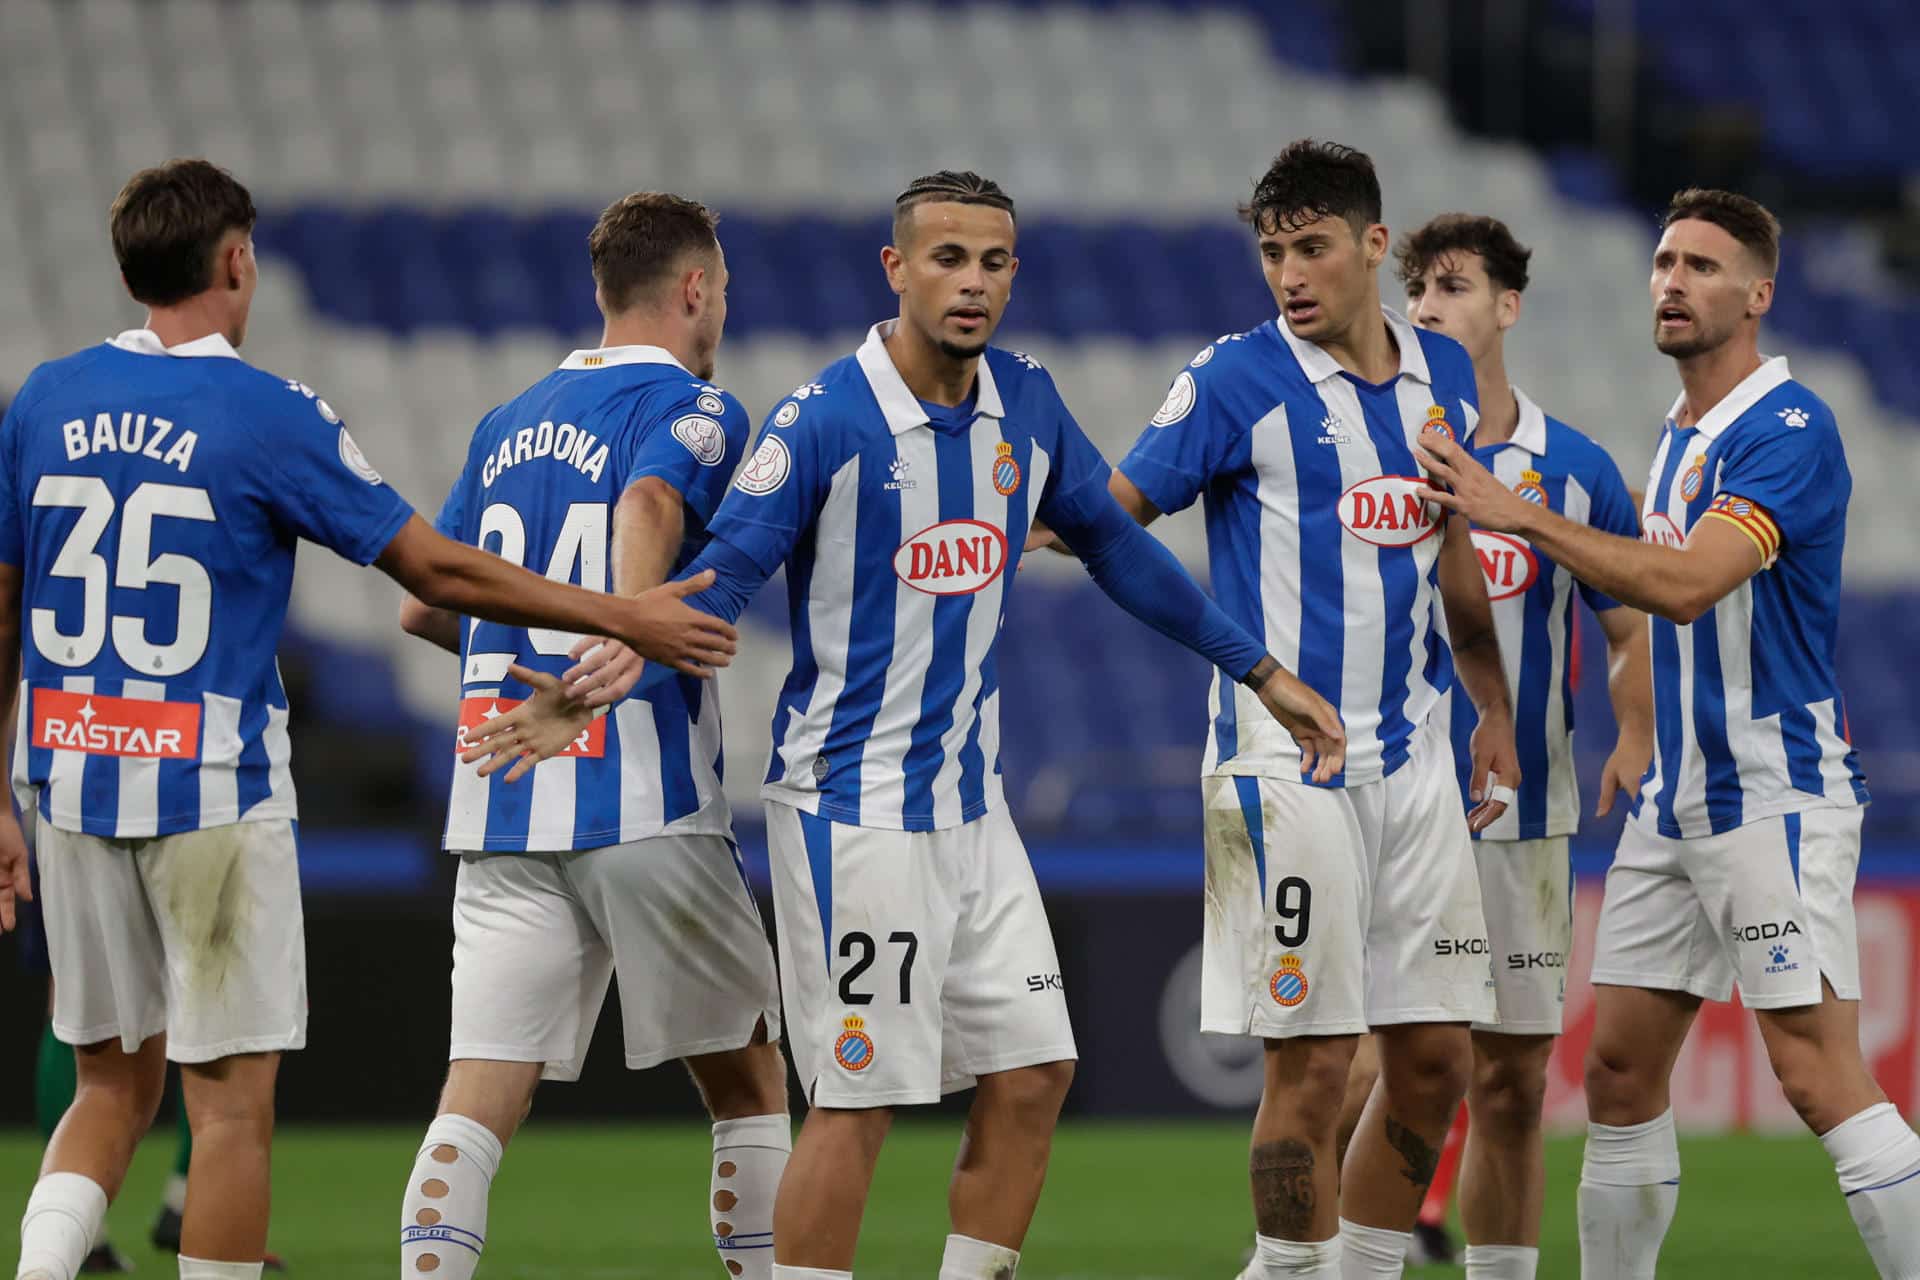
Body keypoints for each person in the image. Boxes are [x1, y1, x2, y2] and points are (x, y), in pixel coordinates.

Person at [467, 168, 1346, 1280]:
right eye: (946, 258)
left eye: (992, 262)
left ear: (1013, 274)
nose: (971, 283)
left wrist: (1260, 669)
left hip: (970, 813)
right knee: (861, 1099)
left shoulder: (1026, 401)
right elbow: (717, 580)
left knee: (1034, 1074)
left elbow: (1117, 549)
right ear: (897, 268)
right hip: (851, 813)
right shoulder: (823, 420)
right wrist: (594, 679)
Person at [0, 158, 737, 1280]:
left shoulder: (42, 399)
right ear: (237, 262)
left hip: (64, 777)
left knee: (108, 1083)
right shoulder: (267, 410)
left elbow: (4, 603)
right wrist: (619, 615)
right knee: (231, 1109)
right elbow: (429, 566)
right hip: (208, 785)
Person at [1417, 187, 1920, 1279]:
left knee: (1816, 1073)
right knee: (1618, 1074)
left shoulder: (1789, 426)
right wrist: (1638, 732)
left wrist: (1524, 515)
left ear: (1759, 293)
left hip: (1769, 795)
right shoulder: (1683, 432)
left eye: (1700, 265)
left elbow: (1689, 584)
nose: (1672, 283)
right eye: (1662, 262)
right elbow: (1648, 619)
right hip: (1675, 804)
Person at [1101, 141, 1520, 1279]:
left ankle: (1363, 1267)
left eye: (1313, 247)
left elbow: (1454, 551)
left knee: (1434, 1058)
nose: (1289, 273)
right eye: (1273, 251)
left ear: (1376, 246)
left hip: (1420, 754)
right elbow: (1108, 518)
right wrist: (1245, 665)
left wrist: (1491, 701)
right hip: (1285, 765)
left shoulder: (1442, 371)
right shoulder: (1234, 379)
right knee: (1316, 1063)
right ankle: (1292, 1270)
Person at [391, 191, 789, 1280]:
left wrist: (521, 672)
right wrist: (616, 649)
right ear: (696, 287)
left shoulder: (504, 422)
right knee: (748, 1082)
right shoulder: (695, 407)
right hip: (641, 797)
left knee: (477, 1093)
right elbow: (651, 503)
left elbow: (425, 608)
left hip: (502, 791)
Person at [1388, 213, 1653, 1279]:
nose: (1425, 308)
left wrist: (1634, 724)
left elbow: (1628, 620)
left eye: (1450, 286)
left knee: (1510, 1085)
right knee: (1378, 1070)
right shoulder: (1376, 448)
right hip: (1394, 804)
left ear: (1507, 306)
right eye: (1416, 291)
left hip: (1526, 816)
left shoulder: (1573, 467)